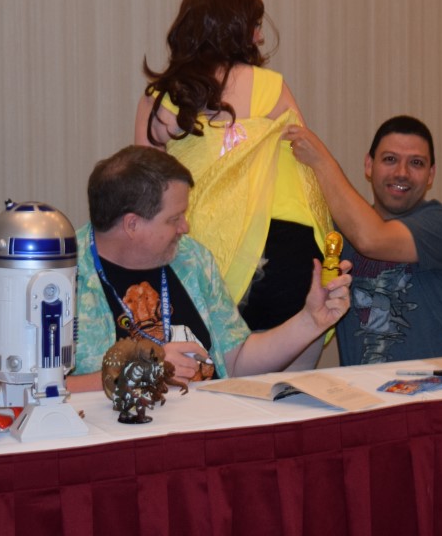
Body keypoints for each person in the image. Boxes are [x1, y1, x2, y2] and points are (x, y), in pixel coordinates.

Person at [135, 0, 332, 369]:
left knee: (211, 393)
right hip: (292, 254)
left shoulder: (161, 100)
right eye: (255, 26)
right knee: (295, 393)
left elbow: (143, 197)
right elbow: (307, 166)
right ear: (233, 27)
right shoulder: (273, 87)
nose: (260, 38)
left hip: (208, 261)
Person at [65, 146, 351, 392]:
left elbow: (236, 362)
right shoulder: (61, 279)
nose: (185, 227)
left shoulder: (192, 258)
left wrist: (311, 320)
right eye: (174, 218)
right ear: (132, 224)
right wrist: (137, 371)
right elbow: (43, 391)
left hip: (209, 425)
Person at [282, 116, 442, 365]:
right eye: (390, 159)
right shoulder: (335, 234)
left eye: (416, 163)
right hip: (368, 387)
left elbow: (371, 239)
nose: (401, 173)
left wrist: (321, 161)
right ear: (369, 165)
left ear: (431, 174)